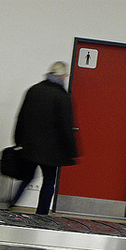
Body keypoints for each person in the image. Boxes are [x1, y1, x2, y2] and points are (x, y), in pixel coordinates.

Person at [11, 61, 78, 213]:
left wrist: (17, 140)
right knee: (48, 182)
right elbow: (66, 127)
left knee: (27, 177)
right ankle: (41, 214)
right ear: (62, 76)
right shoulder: (62, 96)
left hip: (30, 147)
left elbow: (21, 117)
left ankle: (12, 203)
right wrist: (72, 151)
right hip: (51, 151)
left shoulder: (33, 90)